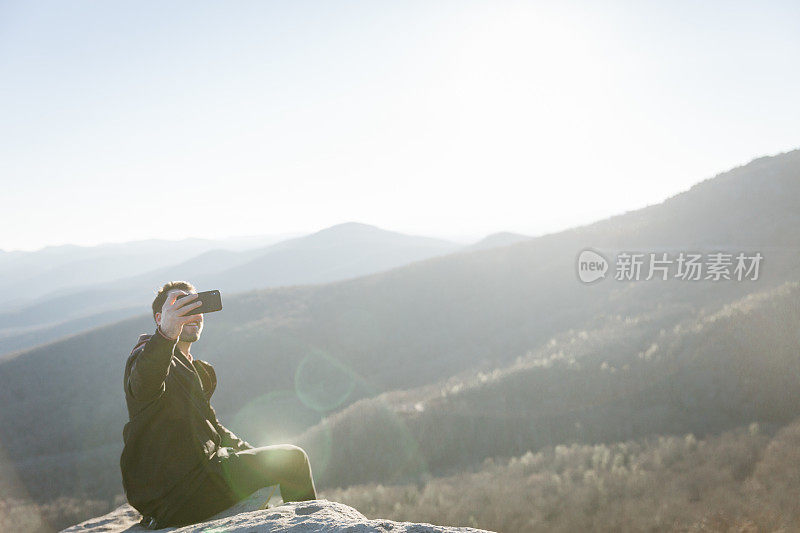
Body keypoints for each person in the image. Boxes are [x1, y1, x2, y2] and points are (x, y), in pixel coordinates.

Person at [120, 280, 317, 528]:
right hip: (182, 492)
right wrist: (166, 335)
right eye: (180, 304)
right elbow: (145, 382)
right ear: (159, 318)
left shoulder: (191, 368)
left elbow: (213, 428)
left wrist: (253, 456)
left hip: (199, 480)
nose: (192, 313)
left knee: (282, 460)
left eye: (196, 305)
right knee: (294, 460)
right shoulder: (145, 355)